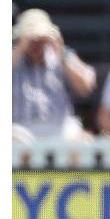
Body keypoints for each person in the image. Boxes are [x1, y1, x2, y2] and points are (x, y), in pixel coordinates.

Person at [12, 9, 96, 143]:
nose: (36, 44)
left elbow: (86, 87)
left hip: (60, 125)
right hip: (20, 126)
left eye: (41, 39)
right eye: (31, 39)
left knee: (81, 141)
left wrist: (60, 53)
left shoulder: (64, 55)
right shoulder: (13, 56)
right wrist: (20, 47)